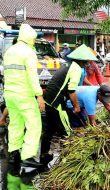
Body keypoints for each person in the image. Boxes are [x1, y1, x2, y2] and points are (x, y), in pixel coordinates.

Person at [40, 44, 98, 165]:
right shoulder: (76, 68)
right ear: (82, 60)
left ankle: (44, 155)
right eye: (87, 61)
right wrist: (76, 106)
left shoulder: (68, 64)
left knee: (50, 130)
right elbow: (71, 90)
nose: (88, 63)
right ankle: (71, 161)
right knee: (67, 132)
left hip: (49, 100)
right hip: (56, 103)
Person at [3, 24, 45, 167]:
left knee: (15, 124)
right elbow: (32, 76)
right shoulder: (28, 52)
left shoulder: (9, 51)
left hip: (9, 94)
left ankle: (14, 154)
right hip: (24, 95)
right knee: (34, 124)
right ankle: (27, 156)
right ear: (30, 38)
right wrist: (39, 96)